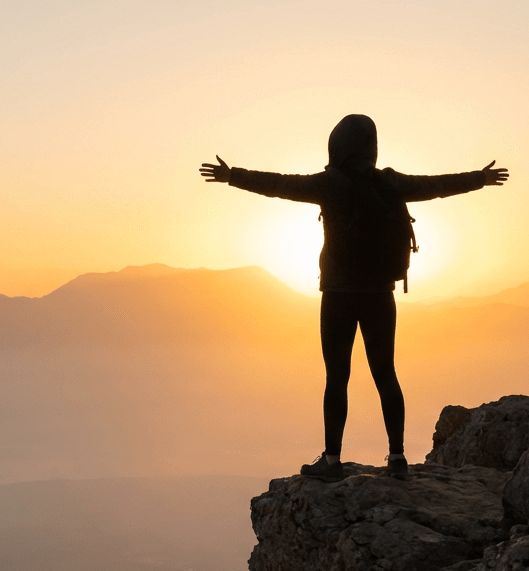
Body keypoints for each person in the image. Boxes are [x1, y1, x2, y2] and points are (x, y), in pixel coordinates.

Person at [200, 114, 508, 480]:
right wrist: (481, 179)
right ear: (371, 147)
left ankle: (332, 461)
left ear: (337, 145)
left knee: (337, 377)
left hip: (338, 295)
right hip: (380, 294)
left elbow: (279, 185)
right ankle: (397, 459)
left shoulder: (330, 184)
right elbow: (435, 185)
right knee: (385, 374)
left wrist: (232, 175)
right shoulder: (390, 183)